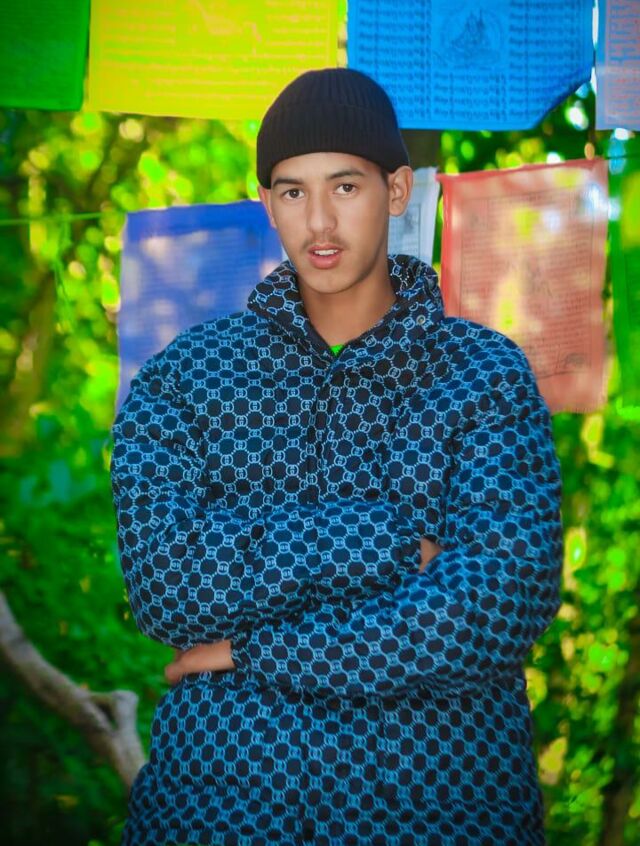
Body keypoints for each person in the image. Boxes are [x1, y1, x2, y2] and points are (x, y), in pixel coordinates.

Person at [110, 67, 564, 846]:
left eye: (345, 187)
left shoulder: (483, 375)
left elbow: (498, 607)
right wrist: (389, 545)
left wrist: (254, 651)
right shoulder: (186, 378)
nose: (319, 221)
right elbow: (166, 587)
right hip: (221, 809)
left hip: (443, 809)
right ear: (267, 203)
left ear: (397, 191)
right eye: (293, 191)